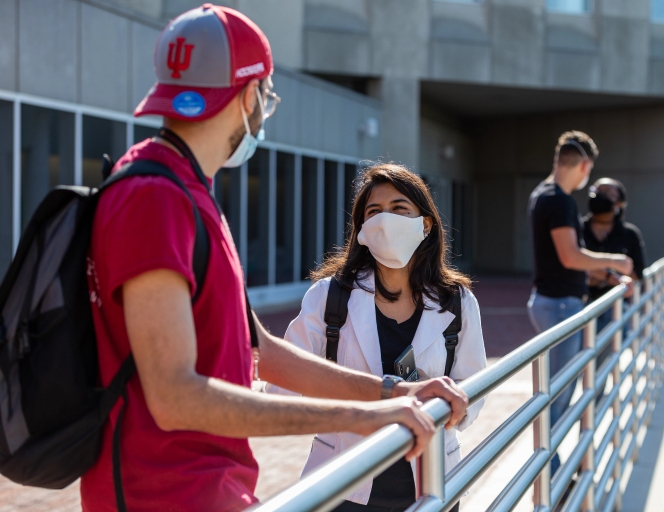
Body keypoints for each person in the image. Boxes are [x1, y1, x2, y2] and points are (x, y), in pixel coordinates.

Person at [81, 5, 468, 511]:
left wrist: (390, 394)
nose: (264, 111)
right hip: (163, 495)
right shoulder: (156, 198)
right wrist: (359, 419)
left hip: (205, 489)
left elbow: (259, 348)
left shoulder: (184, 191)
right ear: (248, 96)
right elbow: (175, 396)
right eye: (265, 96)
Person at [267, 164, 487, 512]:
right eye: (374, 212)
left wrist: (441, 406)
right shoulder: (329, 296)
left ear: (425, 224)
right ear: (362, 230)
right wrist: (366, 397)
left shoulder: (458, 302)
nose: (386, 220)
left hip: (432, 483)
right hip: (343, 485)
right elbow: (280, 387)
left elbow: (473, 391)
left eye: (400, 209)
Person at [527, 131, 633, 474]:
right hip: (559, 306)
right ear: (585, 166)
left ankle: (555, 473)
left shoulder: (542, 194)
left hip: (551, 302)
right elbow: (570, 257)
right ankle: (555, 477)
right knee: (559, 399)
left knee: (559, 394)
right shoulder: (558, 200)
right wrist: (615, 262)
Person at [583, 178, 646, 393]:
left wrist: (597, 274)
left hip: (613, 308)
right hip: (580, 304)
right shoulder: (577, 229)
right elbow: (571, 266)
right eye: (596, 191)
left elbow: (637, 275)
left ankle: (593, 413)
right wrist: (612, 276)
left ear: (619, 203)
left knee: (600, 366)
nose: (599, 197)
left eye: (607, 194)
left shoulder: (629, 235)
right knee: (571, 367)